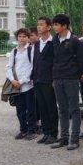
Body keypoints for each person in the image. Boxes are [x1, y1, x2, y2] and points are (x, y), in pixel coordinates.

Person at [50, 14, 83, 150]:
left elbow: (82, 60)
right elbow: (52, 59)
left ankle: (75, 138)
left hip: (71, 79)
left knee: (74, 109)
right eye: (54, 24)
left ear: (64, 26)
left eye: (56, 24)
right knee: (62, 109)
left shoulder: (74, 41)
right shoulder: (54, 40)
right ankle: (64, 138)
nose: (54, 27)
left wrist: (79, 74)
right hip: (57, 78)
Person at [32, 17, 59, 145]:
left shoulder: (53, 42)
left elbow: (56, 62)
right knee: (42, 108)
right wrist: (33, 77)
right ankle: (46, 132)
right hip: (37, 80)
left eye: (41, 24)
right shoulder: (37, 43)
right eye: (38, 24)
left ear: (49, 27)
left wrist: (54, 79)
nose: (39, 27)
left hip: (49, 80)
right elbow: (35, 62)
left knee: (51, 107)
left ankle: (53, 134)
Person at [6, 28, 36, 140]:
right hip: (16, 86)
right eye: (20, 36)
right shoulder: (14, 51)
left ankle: (31, 131)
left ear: (28, 38)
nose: (22, 39)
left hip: (28, 85)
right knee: (20, 110)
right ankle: (23, 130)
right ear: (17, 38)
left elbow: (32, 67)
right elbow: (9, 67)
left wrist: (22, 81)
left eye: (24, 36)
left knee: (30, 109)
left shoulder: (31, 50)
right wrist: (13, 80)